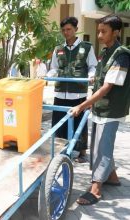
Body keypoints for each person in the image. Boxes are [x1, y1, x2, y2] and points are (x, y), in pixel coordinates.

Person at [70, 15, 130, 205]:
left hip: (111, 109)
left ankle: (96, 189)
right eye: (99, 31)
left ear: (117, 32)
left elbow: (107, 87)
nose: (99, 35)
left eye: (104, 31)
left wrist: (82, 105)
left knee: (102, 148)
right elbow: (100, 79)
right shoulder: (106, 52)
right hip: (100, 108)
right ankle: (111, 177)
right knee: (99, 143)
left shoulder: (121, 55)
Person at [47, 16, 98, 163]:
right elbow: (54, 69)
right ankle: (59, 149)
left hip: (78, 93)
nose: (66, 32)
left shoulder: (86, 47)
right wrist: (46, 76)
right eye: (63, 30)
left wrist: (91, 76)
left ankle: (81, 152)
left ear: (75, 29)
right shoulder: (58, 49)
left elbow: (92, 66)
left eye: (69, 29)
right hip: (60, 92)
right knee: (59, 122)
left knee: (79, 122)